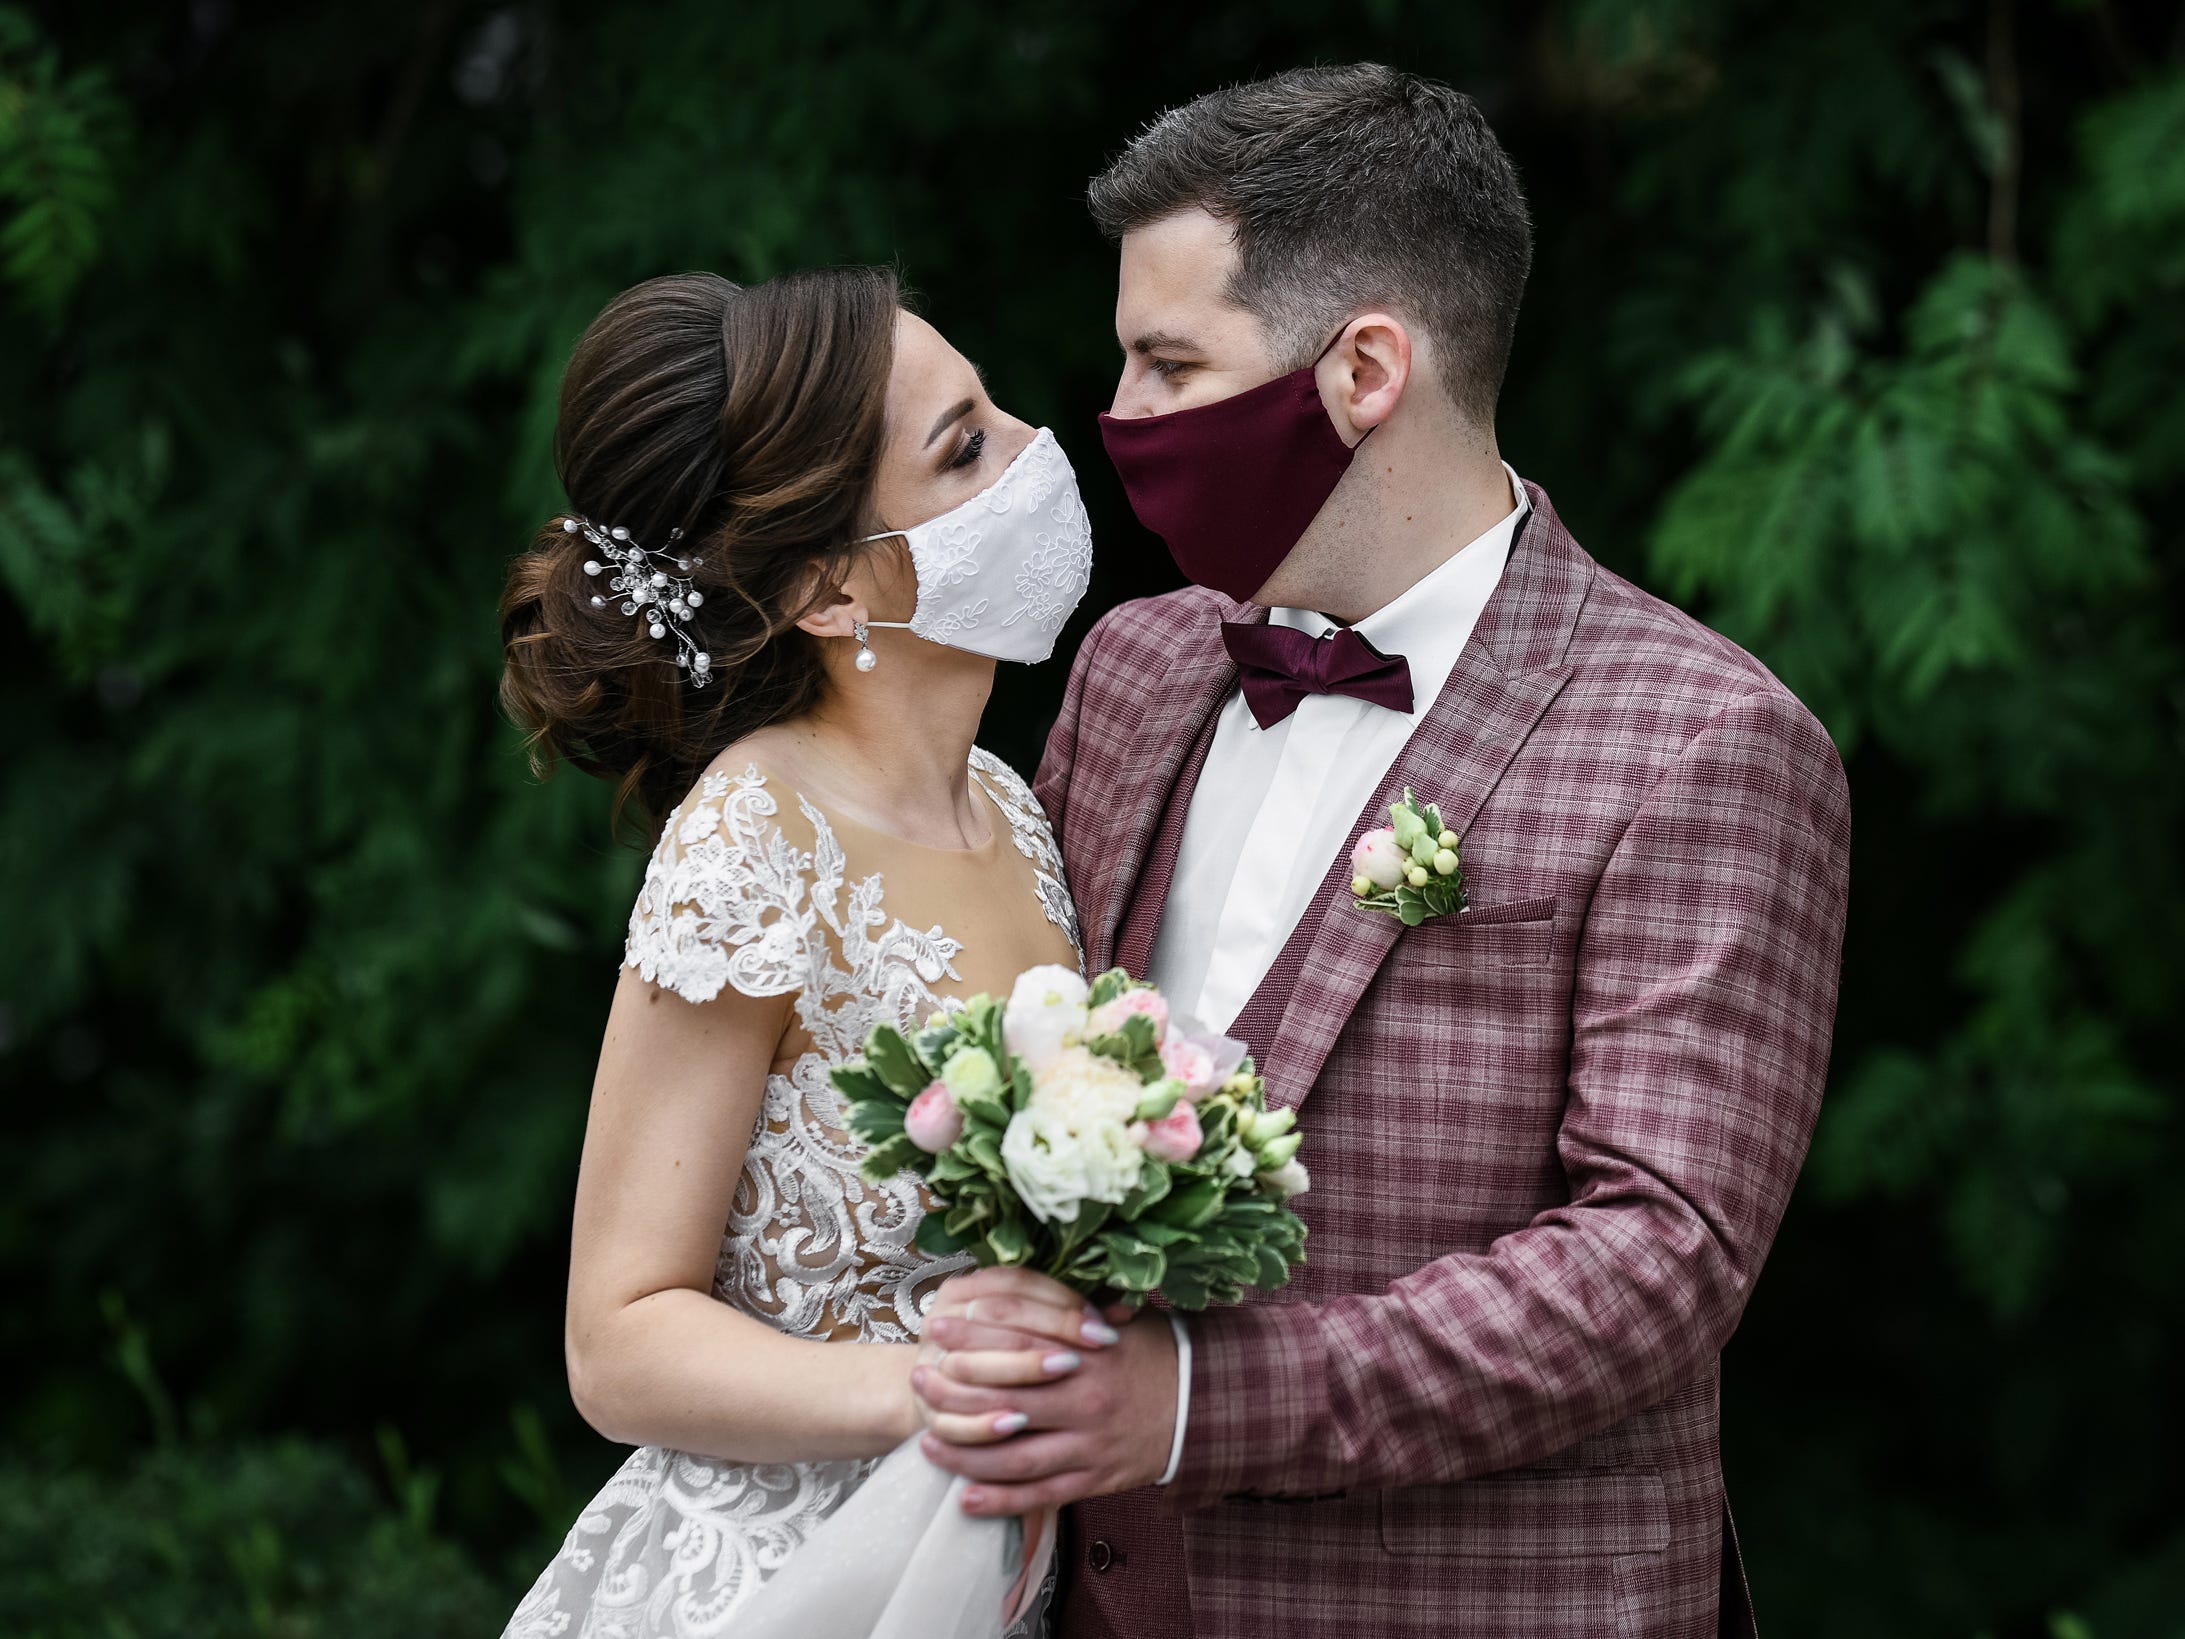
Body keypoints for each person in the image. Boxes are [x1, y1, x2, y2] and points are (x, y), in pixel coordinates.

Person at [912, 63, 1853, 1639]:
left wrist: (1208, 1406)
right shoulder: (1135, 670)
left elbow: (1657, 1256)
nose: (1118, 419)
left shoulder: (1702, 741)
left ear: (1361, 372)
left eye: (1166, 363)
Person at [493, 264, 1111, 1638]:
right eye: (964, 448)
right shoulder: (755, 834)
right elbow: (619, 1333)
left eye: (991, 410)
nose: (1033, 450)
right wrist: (937, 1393)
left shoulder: (1013, 807)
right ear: (832, 589)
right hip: (786, 1593)